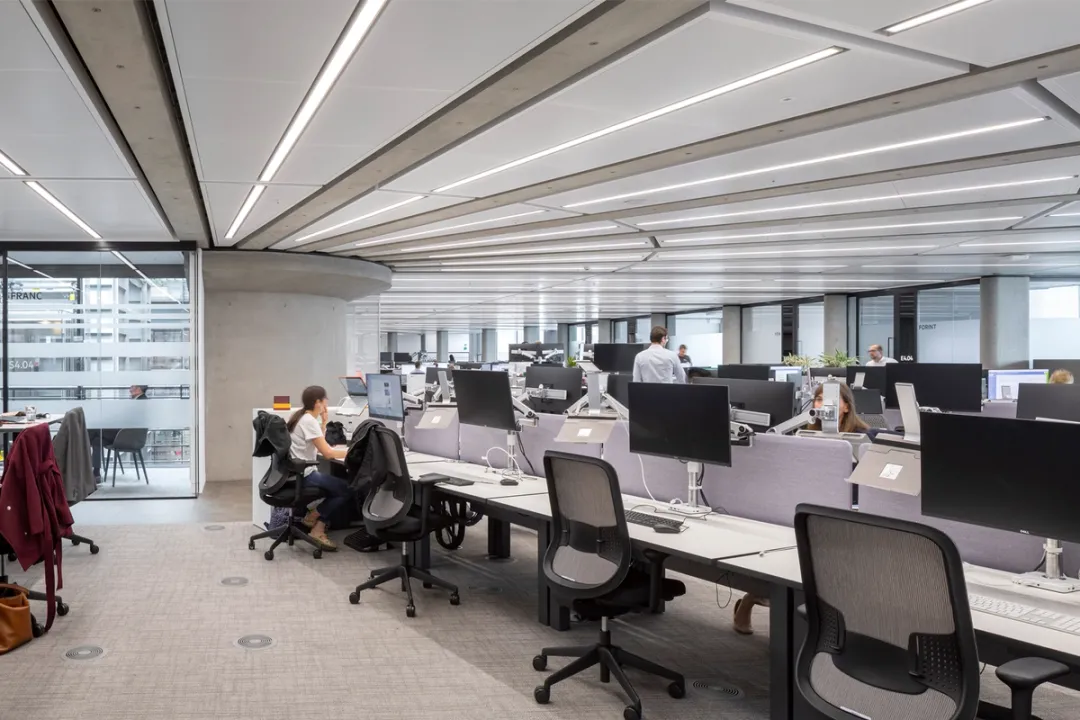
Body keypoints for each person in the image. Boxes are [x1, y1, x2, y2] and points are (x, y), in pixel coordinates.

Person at [732, 382, 867, 635]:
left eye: (830, 399)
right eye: (817, 400)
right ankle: (755, 600)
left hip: (852, 516)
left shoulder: (865, 438)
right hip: (809, 512)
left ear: (847, 406)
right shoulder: (801, 437)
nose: (822, 404)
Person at [287, 385, 352, 551]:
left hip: (299, 472)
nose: (327, 403)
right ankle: (318, 526)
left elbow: (318, 444)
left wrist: (323, 422)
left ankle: (314, 516)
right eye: (325, 400)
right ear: (318, 402)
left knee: (336, 487)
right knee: (346, 489)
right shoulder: (308, 421)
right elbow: (328, 453)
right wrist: (352, 452)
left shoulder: (303, 417)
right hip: (306, 475)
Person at [91, 383, 149, 482]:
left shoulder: (142, 402)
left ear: (139, 389)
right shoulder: (136, 400)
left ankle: (79, 462)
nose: (130, 390)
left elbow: (130, 420)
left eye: (132, 387)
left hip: (128, 436)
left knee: (92, 430)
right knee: (96, 440)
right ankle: (96, 473)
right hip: (123, 432)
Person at [806, 383, 870, 434]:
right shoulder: (807, 434)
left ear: (846, 407)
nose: (824, 405)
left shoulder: (862, 436)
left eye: (832, 400)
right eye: (819, 399)